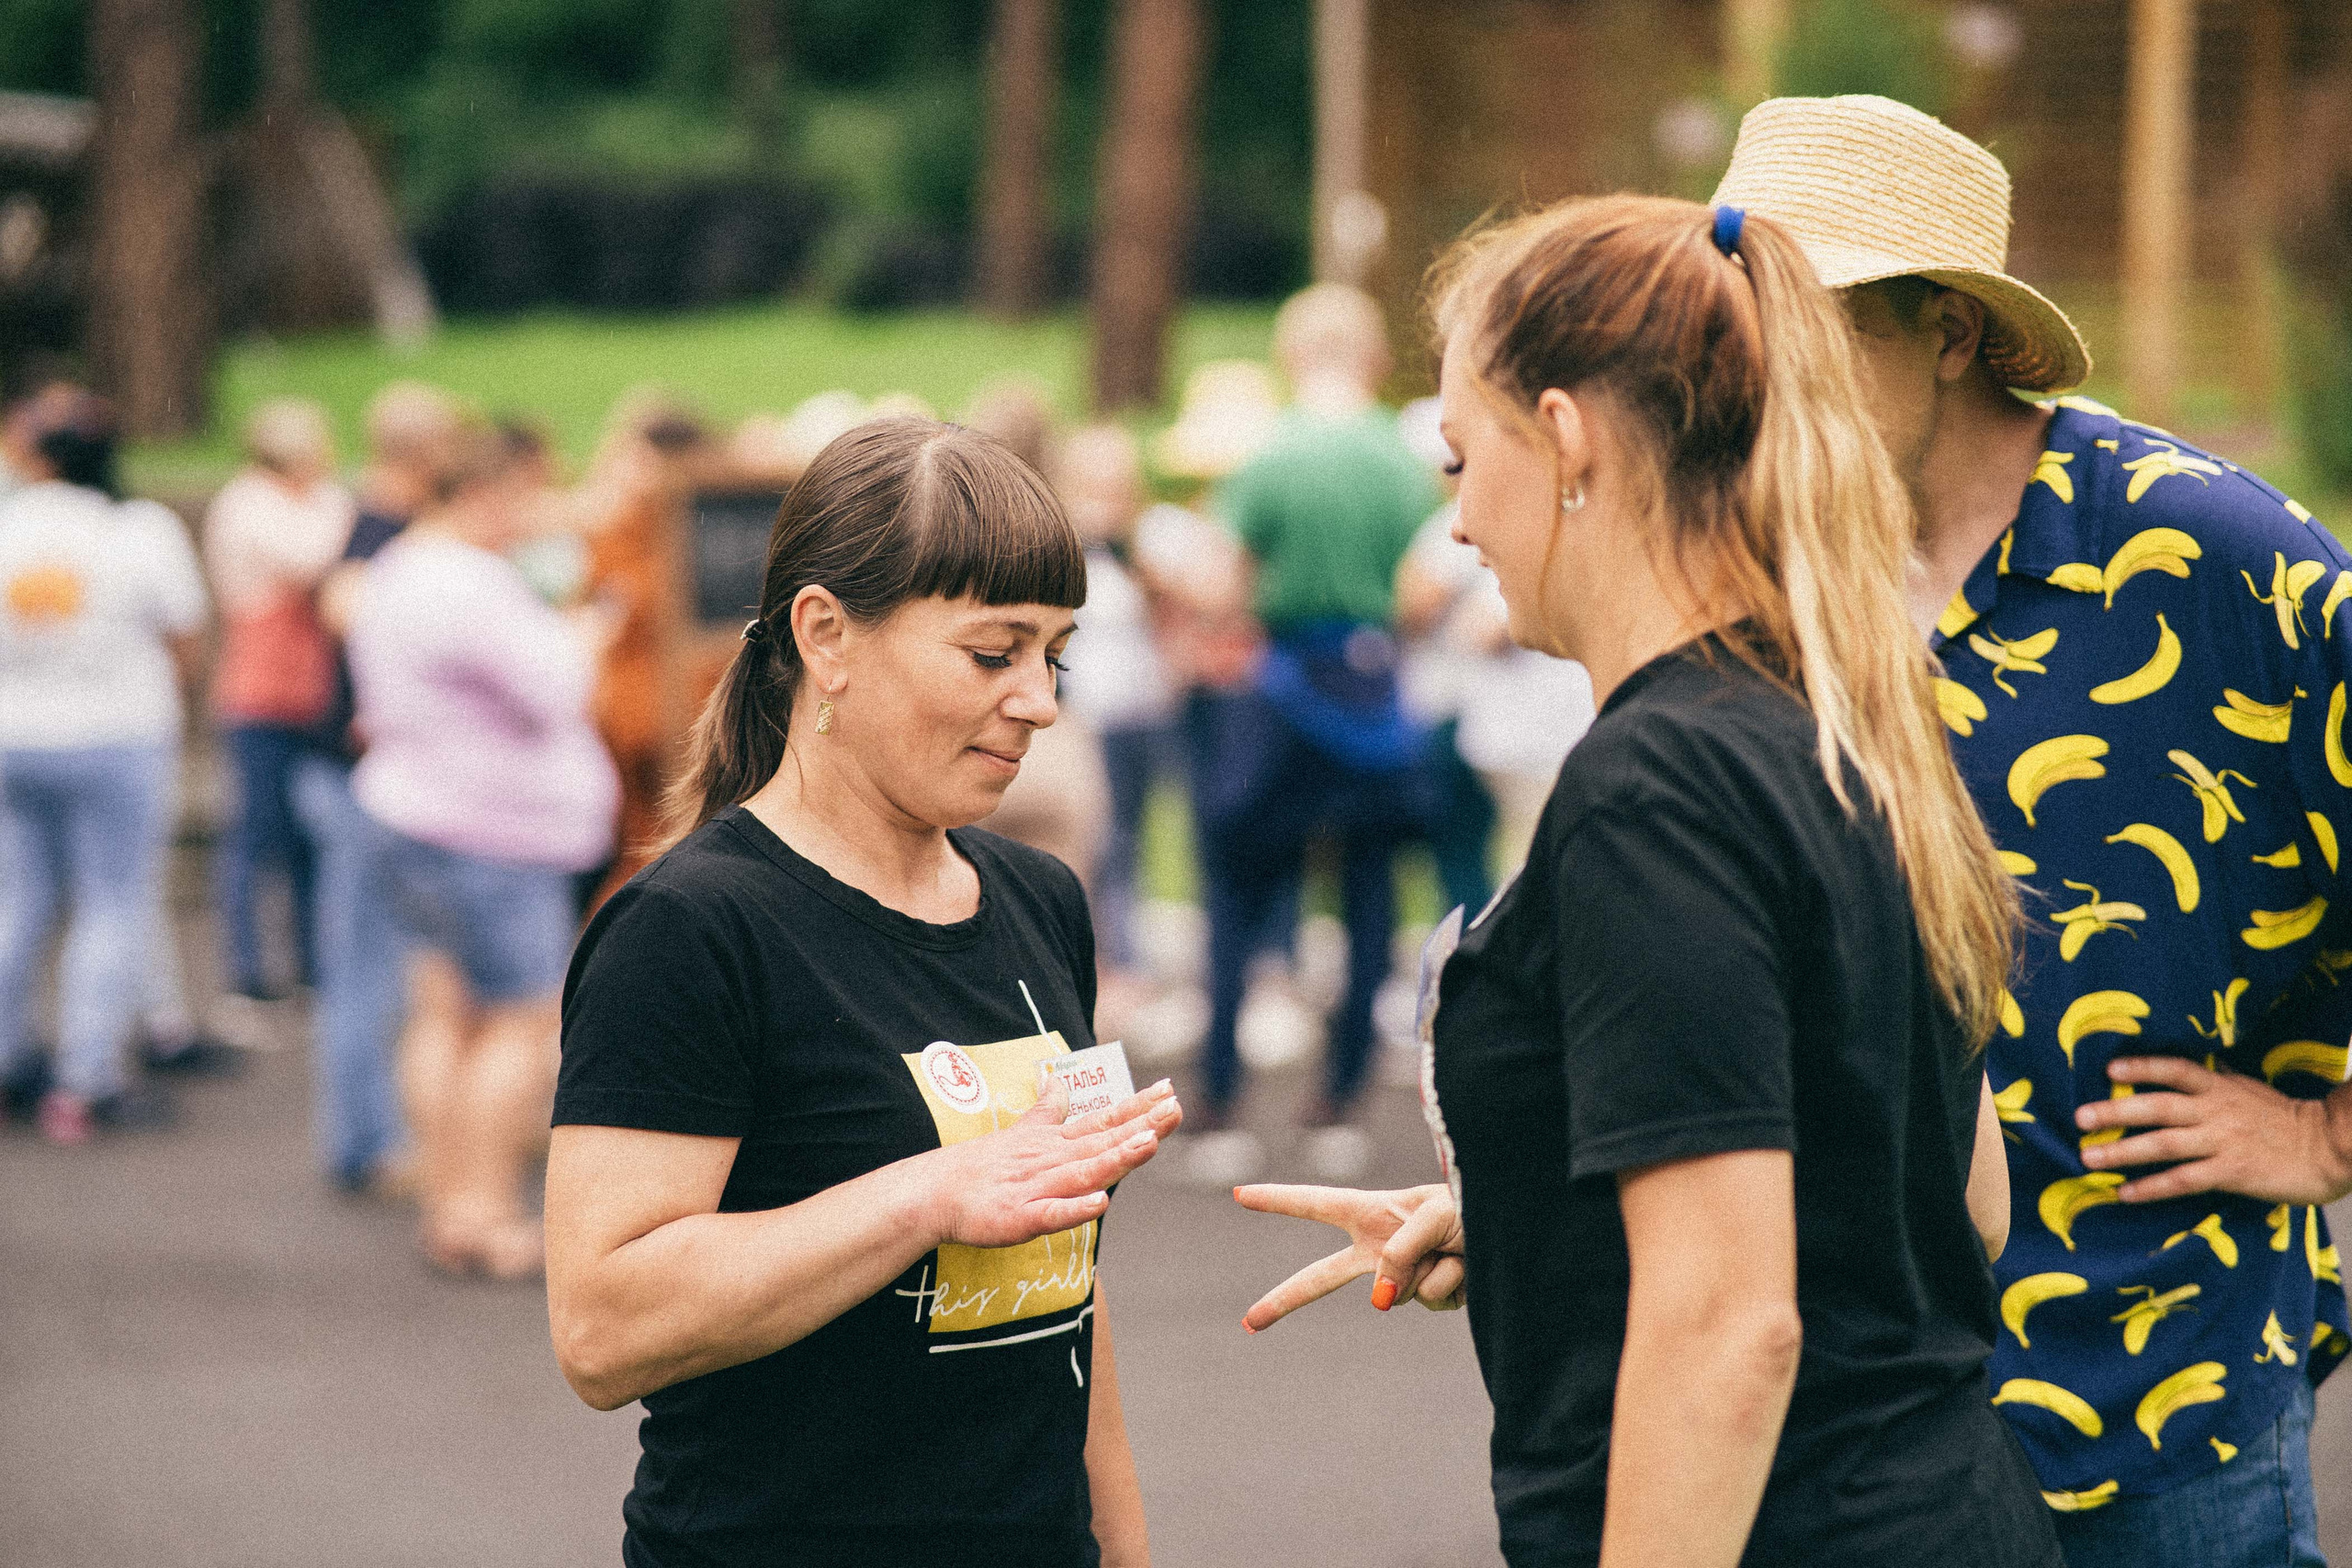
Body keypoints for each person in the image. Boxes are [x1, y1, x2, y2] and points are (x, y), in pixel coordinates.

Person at [1235, 195, 2061, 1568]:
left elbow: (1734, 1325)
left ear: (1567, 441)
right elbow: (1954, 1195)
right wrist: (1542, 1214)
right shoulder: (1844, 721)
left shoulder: (1656, 788)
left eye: (1461, 461)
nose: (1457, 525)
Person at [1713, 96, 2349, 1566]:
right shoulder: (1757, 560)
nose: (1759, 380)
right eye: (1741, 331)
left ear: (1950, 330)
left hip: (2161, 1407)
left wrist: (2322, 1134)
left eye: (1812, 329)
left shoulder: (2219, 559)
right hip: (1852, 1424)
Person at [545, 418, 1178, 1568]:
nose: (1039, 701)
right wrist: (926, 1196)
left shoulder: (1039, 900)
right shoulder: (690, 929)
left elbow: (1067, 1308)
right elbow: (601, 1327)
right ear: (826, 636)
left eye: (1055, 656)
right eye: (993, 654)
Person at [345, 421, 618, 1275]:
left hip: (415, 815)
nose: (535, 518)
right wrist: (587, 632)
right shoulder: (470, 582)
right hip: (492, 833)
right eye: (527, 497)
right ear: (487, 492)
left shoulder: (396, 568)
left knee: (444, 1015)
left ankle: (445, 1198)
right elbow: (558, 688)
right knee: (520, 1024)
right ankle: (484, 1212)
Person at [1193, 285, 1440, 1183]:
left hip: (1282, 695)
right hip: (1372, 693)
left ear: (1290, 355)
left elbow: (1221, 583)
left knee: (1237, 887)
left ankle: (1220, 1093)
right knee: (1369, 893)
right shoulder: (1400, 460)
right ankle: (1339, 1100)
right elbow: (1423, 592)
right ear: (1374, 358)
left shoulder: (1269, 453)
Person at [0, 390, 208, 1142]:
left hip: (15, 734)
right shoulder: (138, 530)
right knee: (112, 902)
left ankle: (10, 1057)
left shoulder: (8, 525)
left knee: (18, 901)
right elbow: (185, 633)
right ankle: (86, 1080)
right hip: (117, 731)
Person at [291, 379, 460, 1193]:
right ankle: (365, 1143)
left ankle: (378, 1135)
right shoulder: (379, 539)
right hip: (358, 779)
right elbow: (343, 611)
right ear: (424, 453)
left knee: (383, 964)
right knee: (366, 966)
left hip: (355, 773)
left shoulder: (369, 526)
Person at [203, 397, 353, 1012]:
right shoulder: (249, 505)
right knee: (254, 834)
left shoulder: (309, 501)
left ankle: (312, 965)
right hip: (261, 695)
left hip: (310, 693)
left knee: (309, 838)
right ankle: (246, 970)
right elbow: (314, 558)